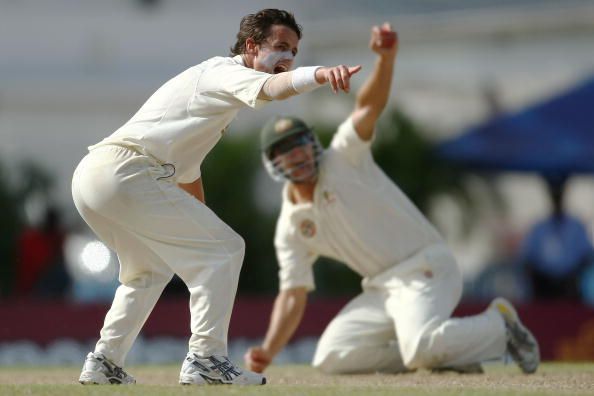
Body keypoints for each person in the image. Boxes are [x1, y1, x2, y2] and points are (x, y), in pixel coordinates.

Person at [72, 8, 361, 386]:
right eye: (280, 47)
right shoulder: (222, 72)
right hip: (125, 171)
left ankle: (105, 362)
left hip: (95, 177)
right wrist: (319, 73)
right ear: (252, 46)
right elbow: (273, 90)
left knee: (150, 269)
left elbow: (188, 175)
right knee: (225, 249)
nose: (288, 59)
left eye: (294, 52)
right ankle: (206, 358)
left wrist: (199, 230)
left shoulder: (217, 96)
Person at [245, 23, 540, 376]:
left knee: (419, 348)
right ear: (274, 165)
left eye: (300, 145)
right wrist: (268, 349)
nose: (299, 156)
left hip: (424, 269)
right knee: (332, 357)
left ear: (312, 144)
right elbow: (292, 294)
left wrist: (385, 59)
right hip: (383, 288)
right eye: (287, 152)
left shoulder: (343, 157)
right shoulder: (291, 226)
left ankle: (499, 327)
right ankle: (448, 354)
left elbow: (368, 107)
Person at [520, 176, 593, 301]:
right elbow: (527, 258)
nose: (556, 198)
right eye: (554, 194)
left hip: (570, 284)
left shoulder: (576, 226)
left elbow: (587, 256)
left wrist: (573, 274)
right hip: (544, 285)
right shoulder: (539, 227)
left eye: (559, 194)